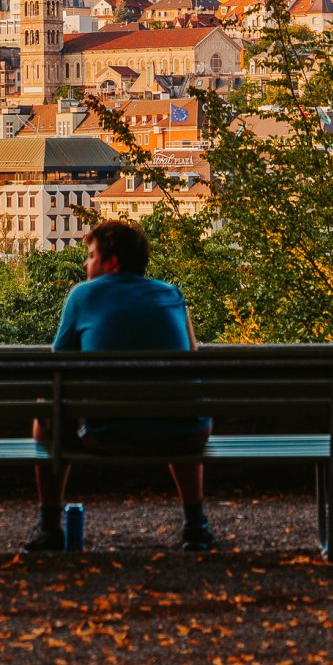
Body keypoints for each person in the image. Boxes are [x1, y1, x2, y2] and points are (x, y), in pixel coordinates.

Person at [24, 219, 214, 554]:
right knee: (180, 407)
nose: (86, 265)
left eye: (91, 256)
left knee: (47, 407)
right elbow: (192, 361)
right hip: (183, 433)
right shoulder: (172, 294)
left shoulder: (83, 295)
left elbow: (58, 366)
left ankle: (50, 526)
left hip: (108, 433)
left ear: (111, 262)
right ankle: (195, 525)